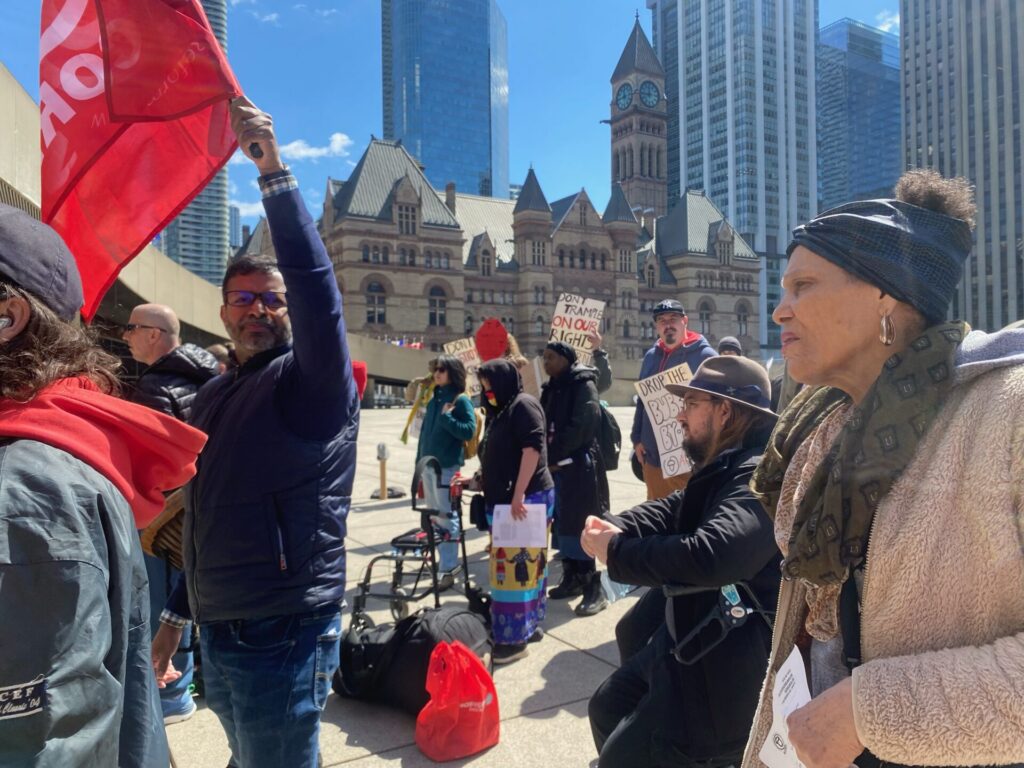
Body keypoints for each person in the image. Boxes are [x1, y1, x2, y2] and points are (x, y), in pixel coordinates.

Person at [741, 170, 1024, 768]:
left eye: (803, 286)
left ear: (884, 299)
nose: (779, 311)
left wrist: (867, 712)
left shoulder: (1010, 413)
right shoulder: (818, 428)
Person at [151, 98, 361, 768]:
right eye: (243, 299)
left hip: (285, 624)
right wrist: (177, 617)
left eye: (273, 298)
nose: (259, 310)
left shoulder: (310, 383)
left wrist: (272, 171)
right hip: (220, 622)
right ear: (222, 314)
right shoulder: (214, 395)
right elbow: (205, 517)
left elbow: (318, 292)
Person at [0, 204, 206, 766]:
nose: (126, 335)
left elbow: (41, 744)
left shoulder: (22, 494)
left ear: (9, 316)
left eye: (135, 328)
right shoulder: (55, 454)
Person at [584, 356, 781, 767]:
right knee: (607, 704)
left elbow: (715, 554)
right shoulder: (728, 463)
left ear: (725, 411)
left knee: (621, 758)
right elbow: (677, 507)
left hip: (719, 671)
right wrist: (618, 525)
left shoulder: (759, 477)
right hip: (688, 640)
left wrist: (618, 553)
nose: (679, 415)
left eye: (691, 404)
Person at [124, 303, 219, 725]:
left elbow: (153, 464)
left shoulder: (154, 385)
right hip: (202, 509)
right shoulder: (211, 377)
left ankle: (172, 695)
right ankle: (189, 683)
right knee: (187, 595)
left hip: (164, 518)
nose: (125, 336)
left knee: (162, 601)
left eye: (131, 328)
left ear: (154, 334)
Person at [476, 358, 554, 664]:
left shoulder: (523, 405)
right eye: (484, 387)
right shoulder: (502, 410)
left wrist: (518, 493)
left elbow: (532, 450)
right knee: (523, 570)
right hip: (511, 501)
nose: (487, 392)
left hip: (524, 501)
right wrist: (478, 480)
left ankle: (513, 640)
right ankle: (526, 626)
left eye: (490, 386)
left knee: (514, 572)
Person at [540, 341, 609, 617]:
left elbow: (583, 425)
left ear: (566, 359)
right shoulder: (550, 388)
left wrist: (555, 453)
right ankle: (572, 577)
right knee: (562, 523)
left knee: (581, 523)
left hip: (579, 465)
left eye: (551, 357)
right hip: (556, 467)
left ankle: (593, 587)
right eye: (544, 357)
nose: (546, 362)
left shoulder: (583, 384)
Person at [631, 299, 716, 499]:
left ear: (684, 321)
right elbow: (642, 401)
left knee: (687, 513)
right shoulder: (650, 357)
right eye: (662, 320)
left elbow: (718, 405)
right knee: (655, 512)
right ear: (656, 326)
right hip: (653, 458)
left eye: (673, 319)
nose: (668, 325)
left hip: (688, 458)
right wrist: (637, 438)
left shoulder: (706, 356)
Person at [415, 354, 476, 583]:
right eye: (435, 369)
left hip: (446, 467)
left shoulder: (460, 400)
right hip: (428, 466)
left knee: (446, 516)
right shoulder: (435, 399)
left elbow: (468, 431)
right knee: (434, 517)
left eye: (442, 369)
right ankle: (443, 562)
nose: (437, 373)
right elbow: (424, 435)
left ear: (453, 371)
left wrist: (447, 419)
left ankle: (449, 567)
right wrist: (418, 464)